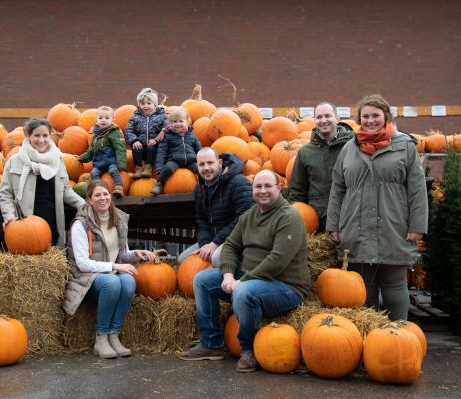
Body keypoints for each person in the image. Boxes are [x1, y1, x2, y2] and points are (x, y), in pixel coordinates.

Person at [180, 170, 311, 372]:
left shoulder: (289, 217)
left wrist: (243, 281)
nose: (263, 191)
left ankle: (249, 350)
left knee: (243, 291)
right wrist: (229, 274)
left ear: (279, 188)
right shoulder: (250, 215)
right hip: (250, 278)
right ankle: (211, 343)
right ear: (252, 190)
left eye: (268, 186)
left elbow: (277, 260)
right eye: (258, 187)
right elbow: (231, 245)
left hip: (285, 285)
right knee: (202, 280)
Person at [326, 94, 428, 321]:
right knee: (364, 288)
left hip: (394, 223)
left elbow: (417, 190)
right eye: (365, 116)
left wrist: (417, 226)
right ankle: (371, 339)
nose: (370, 120)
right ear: (359, 119)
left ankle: (399, 335)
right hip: (355, 224)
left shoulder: (405, 146)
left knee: (394, 286)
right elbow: (337, 188)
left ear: (386, 117)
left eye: (375, 115)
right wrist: (333, 225)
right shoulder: (349, 149)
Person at [63, 181, 155, 359]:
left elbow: (122, 254)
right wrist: (115, 266)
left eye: (105, 194)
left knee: (128, 281)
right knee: (113, 282)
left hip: (110, 275)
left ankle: (114, 335)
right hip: (86, 279)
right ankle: (101, 338)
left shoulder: (118, 220)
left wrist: (136, 254)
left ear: (110, 196)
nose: (102, 198)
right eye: (97, 195)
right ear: (89, 200)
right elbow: (82, 264)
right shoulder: (80, 225)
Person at [0, 117, 85, 247]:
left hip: (52, 221)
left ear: (50, 136)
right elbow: (5, 194)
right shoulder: (14, 161)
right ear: (28, 136)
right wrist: (9, 216)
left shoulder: (58, 160)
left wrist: (83, 205)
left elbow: (66, 189)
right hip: (24, 227)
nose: (41, 140)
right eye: (36, 135)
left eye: (45, 135)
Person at [178, 148, 253, 267]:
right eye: (201, 164)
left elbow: (244, 218)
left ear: (220, 163)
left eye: (210, 163)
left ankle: (235, 281)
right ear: (197, 167)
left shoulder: (238, 182)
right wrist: (205, 244)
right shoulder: (199, 188)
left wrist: (216, 242)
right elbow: (201, 220)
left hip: (238, 238)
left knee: (217, 259)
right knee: (183, 260)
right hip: (214, 238)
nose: (206, 168)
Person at [288, 101, 355, 232]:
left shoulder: (353, 147)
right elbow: (297, 191)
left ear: (337, 118)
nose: (323, 120)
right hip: (318, 221)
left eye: (327, 116)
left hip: (349, 218)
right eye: (319, 117)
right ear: (314, 120)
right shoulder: (305, 152)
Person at [75, 106, 127, 198]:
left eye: (107, 118)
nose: (103, 120)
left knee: (113, 171)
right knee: (93, 173)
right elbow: (91, 151)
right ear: (97, 120)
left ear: (112, 120)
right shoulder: (95, 135)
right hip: (99, 163)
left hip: (111, 161)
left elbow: (120, 148)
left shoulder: (114, 133)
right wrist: (81, 158)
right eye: (100, 118)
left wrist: (121, 163)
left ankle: (119, 187)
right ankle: (98, 189)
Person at [150, 107, 202, 195]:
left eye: (181, 121)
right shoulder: (168, 136)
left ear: (187, 122)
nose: (178, 124)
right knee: (168, 168)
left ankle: (205, 185)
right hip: (175, 160)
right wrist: (159, 168)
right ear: (170, 123)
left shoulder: (191, 135)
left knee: (199, 170)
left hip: (190, 160)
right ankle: (159, 184)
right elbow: (162, 152)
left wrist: (202, 160)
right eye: (175, 121)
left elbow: (199, 149)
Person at [124, 88, 167, 179]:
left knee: (151, 147)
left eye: (149, 103)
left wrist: (156, 140)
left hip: (155, 146)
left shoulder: (161, 116)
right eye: (142, 104)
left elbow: (165, 129)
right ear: (139, 104)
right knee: (136, 148)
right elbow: (128, 130)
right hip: (141, 145)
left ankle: (148, 167)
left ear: (155, 104)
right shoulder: (135, 117)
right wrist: (134, 140)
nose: (145, 106)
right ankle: (138, 168)